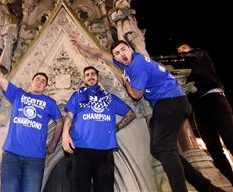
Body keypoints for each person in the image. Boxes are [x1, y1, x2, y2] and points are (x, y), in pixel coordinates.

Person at [69, 36, 224, 192]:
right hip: (165, 105)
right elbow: (100, 54)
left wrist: (126, 83)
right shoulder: (126, 63)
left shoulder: (138, 64)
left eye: (124, 49)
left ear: (131, 49)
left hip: (171, 102)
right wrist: (81, 45)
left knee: (164, 149)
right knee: (158, 150)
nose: (121, 54)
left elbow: (136, 95)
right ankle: (208, 189)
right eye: (117, 53)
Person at [0, 49, 63, 192]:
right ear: (31, 82)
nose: (40, 82)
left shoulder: (49, 102)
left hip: (35, 158)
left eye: (43, 81)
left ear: (45, 87)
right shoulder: (18, 94)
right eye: (38, 79)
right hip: (12, 154)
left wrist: (53, 144)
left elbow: (60, 122)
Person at [62, 66, 136, 192]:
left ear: (98, 77)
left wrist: (117, 127)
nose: (90, 76)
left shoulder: (110, 98)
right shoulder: (77, 95)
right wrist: (65, 134)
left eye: (93, 74)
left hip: (104, 150)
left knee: (105, 189)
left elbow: (131, 114)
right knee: (78, 188)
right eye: (87, 75)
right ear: (84, 79)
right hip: (80, 148)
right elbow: (69, 116)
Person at [177, 42, 233, 185]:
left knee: (230, 139)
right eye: (179, 51)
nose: (180, 52)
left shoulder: (200, 54)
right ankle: (230, 180)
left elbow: (192, 56)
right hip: (199, 106)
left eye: (183, 49)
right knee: (213, 147)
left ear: (190, 48)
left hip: (214, 98)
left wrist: (181, 56)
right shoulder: (183, 66)